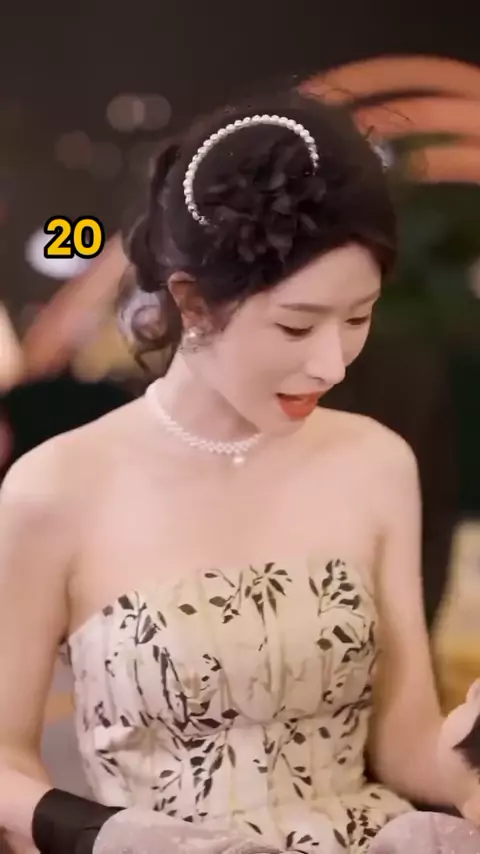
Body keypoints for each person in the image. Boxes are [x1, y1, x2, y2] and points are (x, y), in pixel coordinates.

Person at [0, 88, 479, 854]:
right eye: (296, 325)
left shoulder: (375, 461)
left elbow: (406, 741)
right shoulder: (55, 489)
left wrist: (470, 765)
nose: (332, 364)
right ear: (192, 302)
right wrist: (107, 835)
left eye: (359, 317)